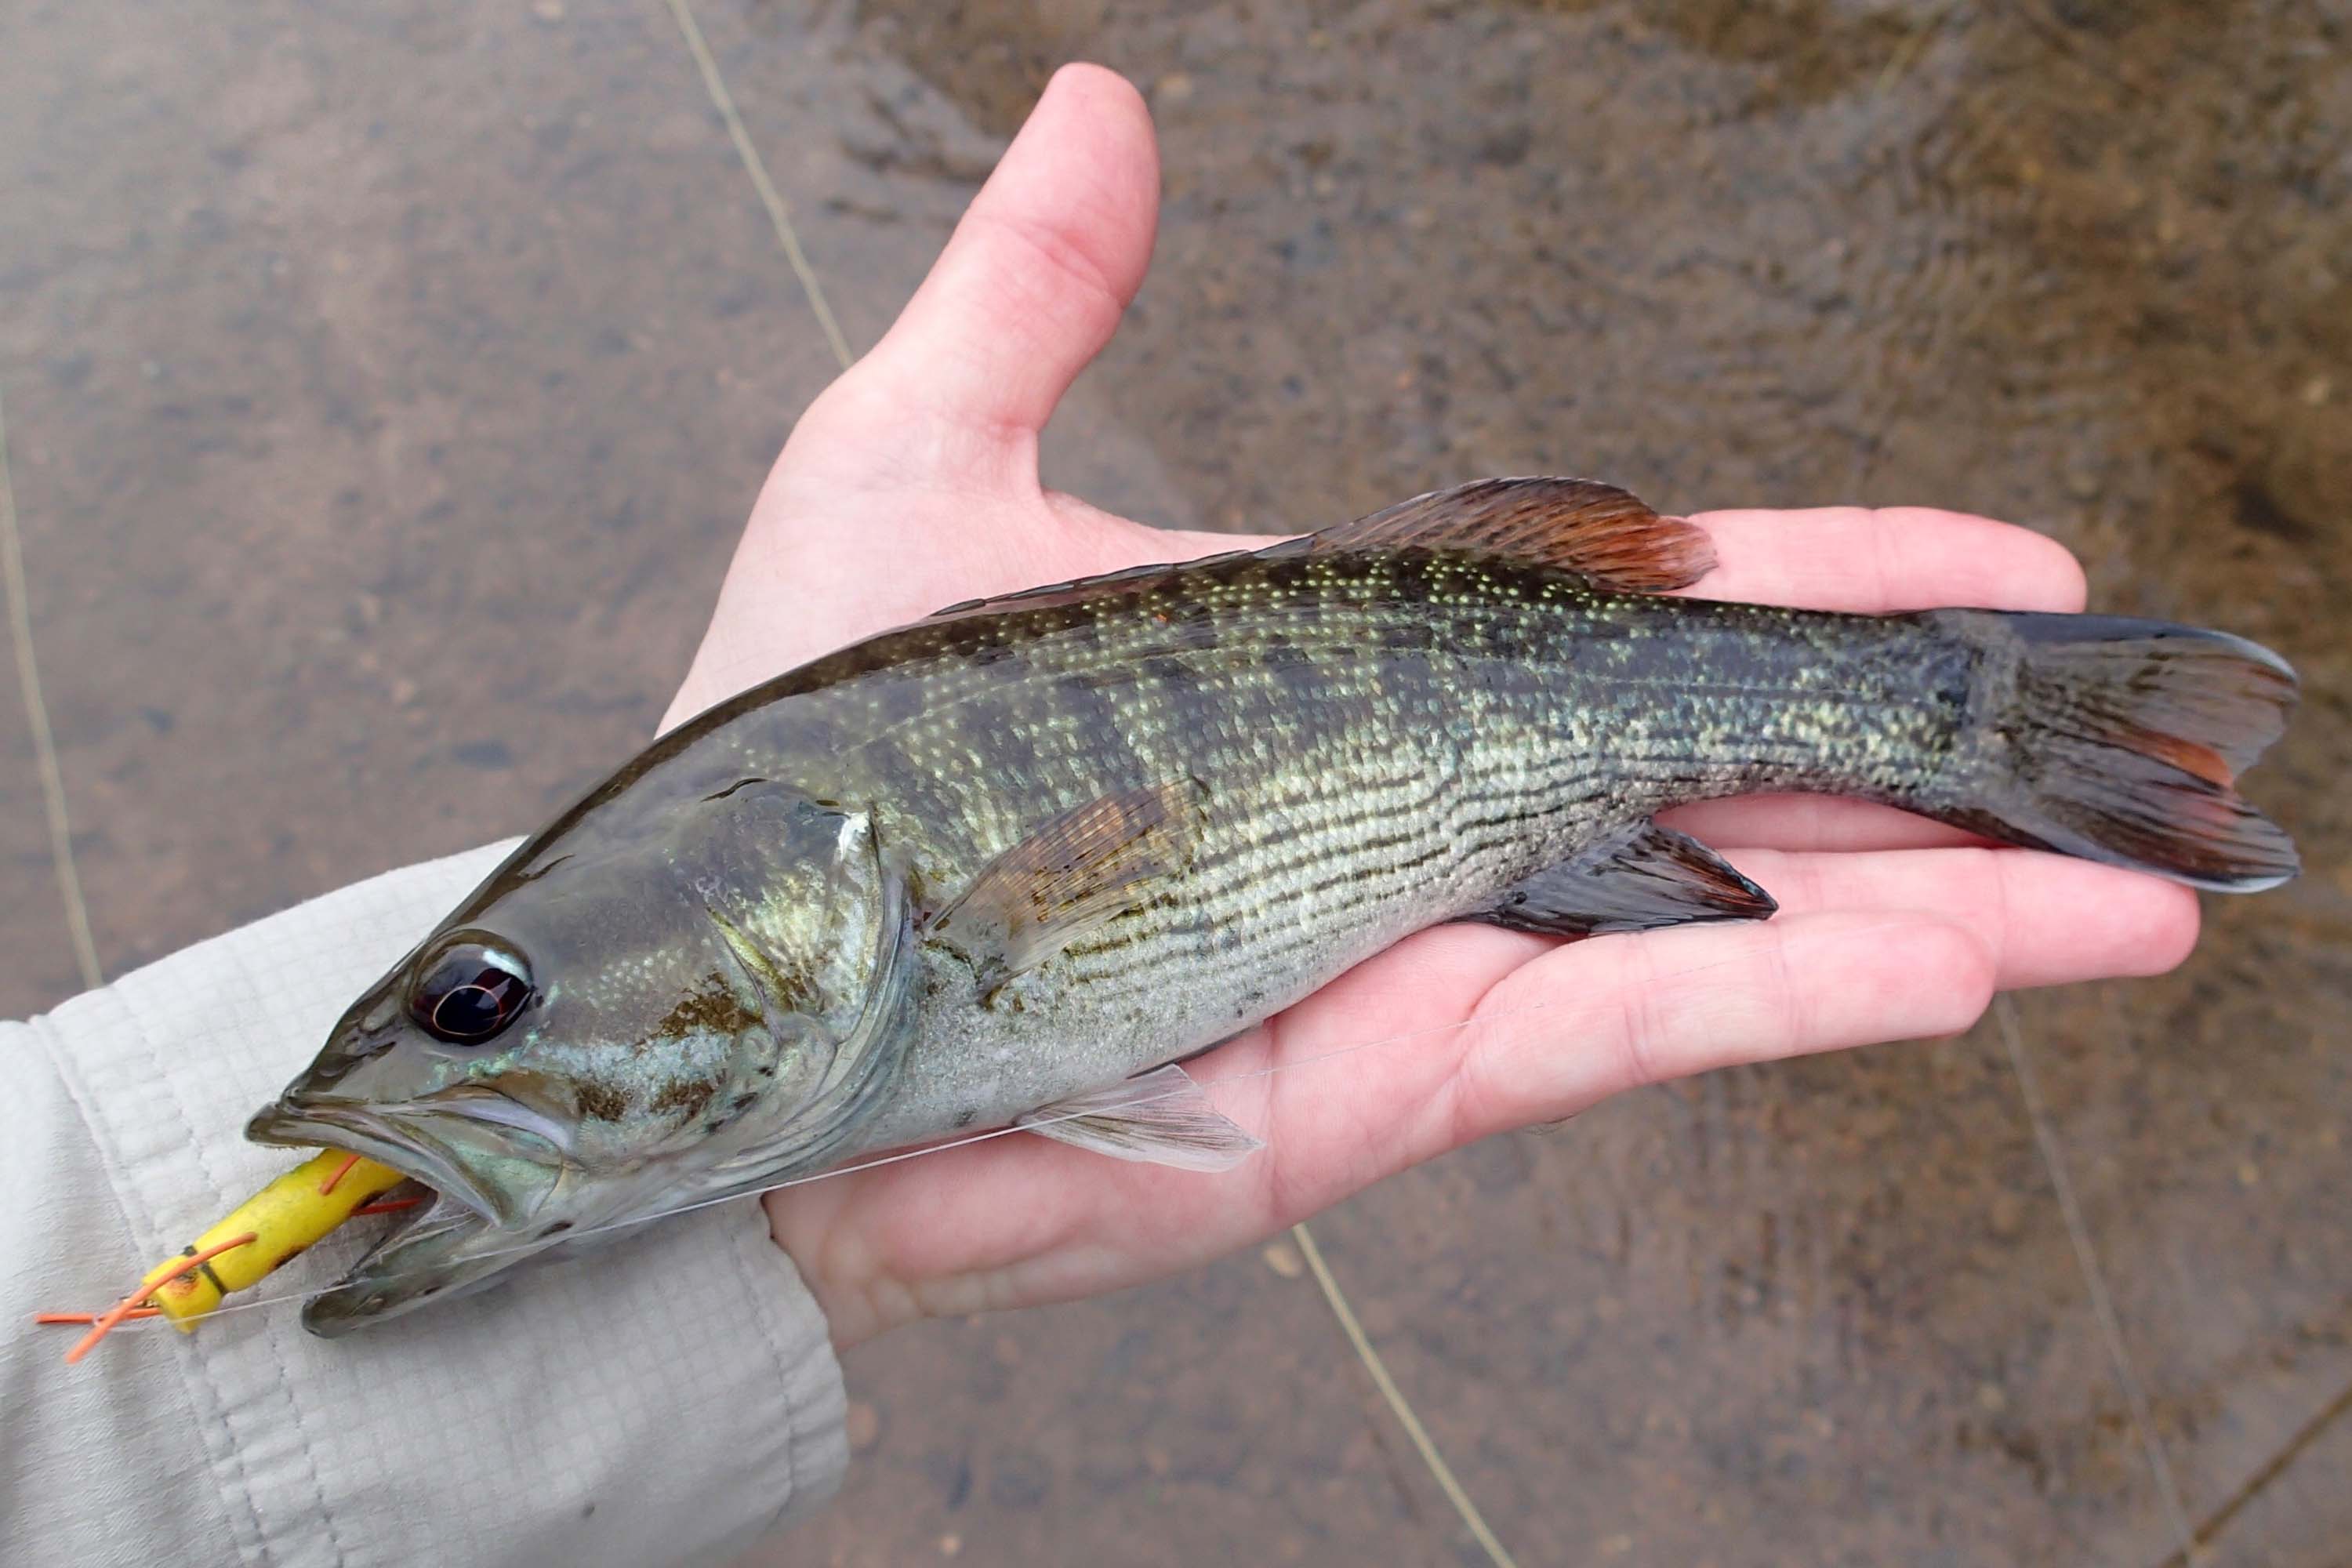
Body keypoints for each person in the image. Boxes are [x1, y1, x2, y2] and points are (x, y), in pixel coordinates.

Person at [1, 64, 2199, 1566]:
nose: (474, 1036)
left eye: (483, 1004)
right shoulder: (797, 937)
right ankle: (1988, 720)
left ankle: (1966, 714)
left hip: (1533, 732)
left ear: (823, 892)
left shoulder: (870, 897)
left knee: (1914, 716)